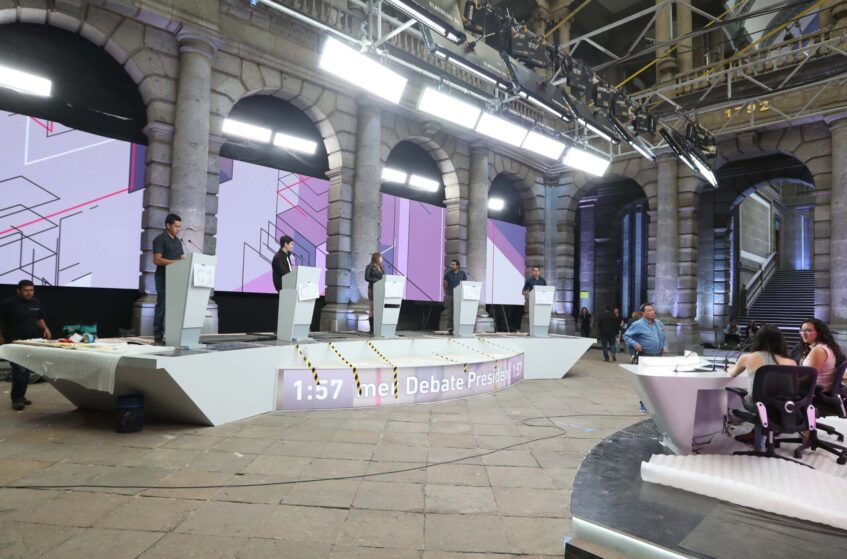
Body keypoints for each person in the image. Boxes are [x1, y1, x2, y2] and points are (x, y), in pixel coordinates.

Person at [726, 324, 796, 444]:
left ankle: (757, 434)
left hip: (757, 404)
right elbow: (793, 388)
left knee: (756, 396)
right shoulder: (791, 362)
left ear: (757, 339)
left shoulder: (747, 358)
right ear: (781, 341)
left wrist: (729, 367)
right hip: (784, 405)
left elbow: (732, 373)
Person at [0, 280, 52, 410]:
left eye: (31, 290)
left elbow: (39, 318)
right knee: (19, 370)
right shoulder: (8, 304)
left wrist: (45, 328)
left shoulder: (36, 302)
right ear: (18, 291)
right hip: (13, 341)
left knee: (27, 370)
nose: (29, 293)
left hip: (30, 341)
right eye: (26, 290)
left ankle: (21, 396)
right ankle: (16, 399)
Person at [152, 213, 186, 345]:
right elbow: (157, 260)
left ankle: (173, 336)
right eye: (176, 226)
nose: (179, 229)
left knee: (175, 309)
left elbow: (182, 258)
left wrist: (186, 261)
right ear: (168, 225)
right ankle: (158, 337)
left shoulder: (178, 241)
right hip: (163, 278)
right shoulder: (160, 239)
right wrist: (176, 262)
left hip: (176, 279)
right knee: (162, 307)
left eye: (180, 227)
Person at [799, 318, 846, 392]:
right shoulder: (826, 346)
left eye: (809, 330)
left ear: (819, 332)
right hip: (818, 390)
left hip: (816, 392)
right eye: (802, 330)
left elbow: (809, 378)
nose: (803, 334)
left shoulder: (818, 350)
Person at [443, 259, 467, 335]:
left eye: (453, 265)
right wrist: (448, 291)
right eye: (451, 264)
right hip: (450, 294)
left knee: (458, 311)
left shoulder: (462, 273)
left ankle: (458, 327)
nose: (451, 266)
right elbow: (445, 284)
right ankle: (450, 328)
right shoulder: (447, 274)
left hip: (459, 295)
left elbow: (464, 284)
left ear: (458, 266)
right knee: (450, 311)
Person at [364, 252, 384, 335]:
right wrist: (377, 281)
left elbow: (383, 277)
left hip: (380, 290)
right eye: (381, 257)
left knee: (378, 309)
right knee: (372, 309)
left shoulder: (381, 267)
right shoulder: (370, 267)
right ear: (377, 258)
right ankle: (372, 329)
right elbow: (367, 278)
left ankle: (378, 328)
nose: (382, 259)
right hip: (372, 289)